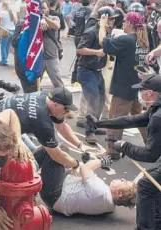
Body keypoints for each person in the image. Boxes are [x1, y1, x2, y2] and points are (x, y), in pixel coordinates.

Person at [87, 74, 161, 230]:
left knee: (146, 185)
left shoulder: (158, 117)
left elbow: (150, 155)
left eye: (142, 90)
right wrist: (99, 123)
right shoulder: (157, 108)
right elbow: (132, 120)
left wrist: (124, 146)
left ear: (151, 93)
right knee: (153, 180)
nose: (139, 94)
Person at [0, 87, 100, 171]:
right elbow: (57, 155)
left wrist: (80, 145)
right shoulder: (43, 122)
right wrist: (76, 164)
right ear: (56, 104)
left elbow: (61, 126)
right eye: (66, 109)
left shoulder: (45, 96)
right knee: (31, 164)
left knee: (34, 149)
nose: (67, 113)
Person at [99, 12, 148, 159]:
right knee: (141, 118)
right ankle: (153, 144)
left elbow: (103, 42)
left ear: (131, 24)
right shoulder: (142, 40)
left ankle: (112, 150)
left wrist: (102, 25)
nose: (123, 23)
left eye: (125, 21)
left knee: (115, 119)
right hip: (137, 86)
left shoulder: (126, 40)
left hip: (123, 87)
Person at [34, 147, 137, 216]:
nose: (123, 179)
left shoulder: (102, 193)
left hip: (55, 194)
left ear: (119, 193)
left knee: (51, 150)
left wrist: (102, 161)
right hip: (62, 191)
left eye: (124, 182)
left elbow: (85, 169)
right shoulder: (108, 203)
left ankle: (24, 173)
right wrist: (86, 163)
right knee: (63, 151)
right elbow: (84, 185)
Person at [77, 6, 117, 144]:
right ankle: (89, 132)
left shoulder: (105, 33)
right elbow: (80, 49)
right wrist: (96, 52)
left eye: (113, 19)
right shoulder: (91, 32)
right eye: (110, 19)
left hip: (97, 72)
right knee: (94, 101)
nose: (112, 22)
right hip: (87, 71)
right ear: (103, 19)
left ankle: (94, 126)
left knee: (100, 100)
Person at [41, 0, 64, 88]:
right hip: (38, 57)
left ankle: (62, 100)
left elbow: (57, 26)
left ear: (48, 9)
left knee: (58, 83)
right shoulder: (34, 20)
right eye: (40, 8)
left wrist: (44, 18)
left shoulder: (54, 18)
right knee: (34, 84)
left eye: (44, 8)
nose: (42, 10)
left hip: (51, 56)